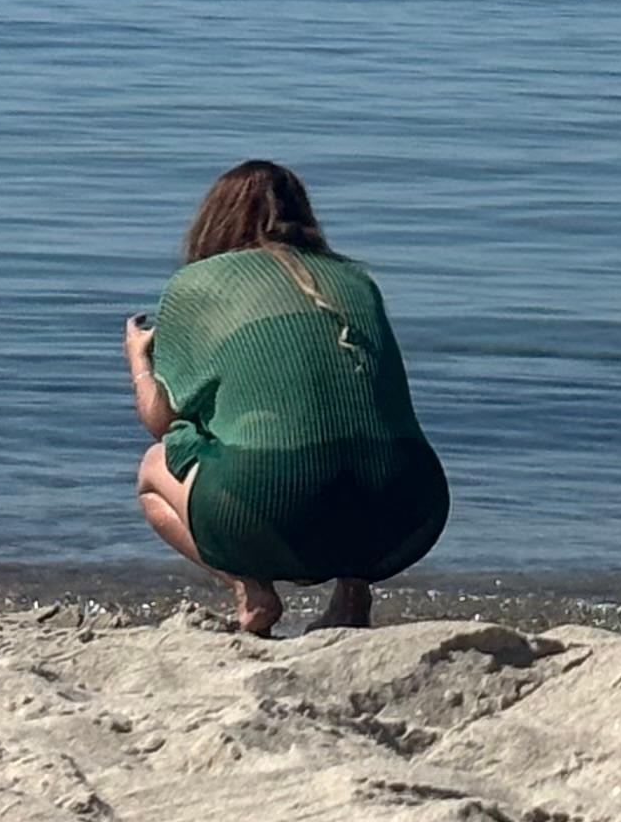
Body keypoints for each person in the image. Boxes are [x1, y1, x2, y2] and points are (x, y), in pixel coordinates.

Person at [126, 159, 449, 640]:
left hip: (280, 507)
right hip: (406, 505)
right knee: (341, 424)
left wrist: (138, 358)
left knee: (156, 467)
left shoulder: (198, 286)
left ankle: (251, 590)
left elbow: (161, 420)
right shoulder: (356, 281)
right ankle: (353, 593)